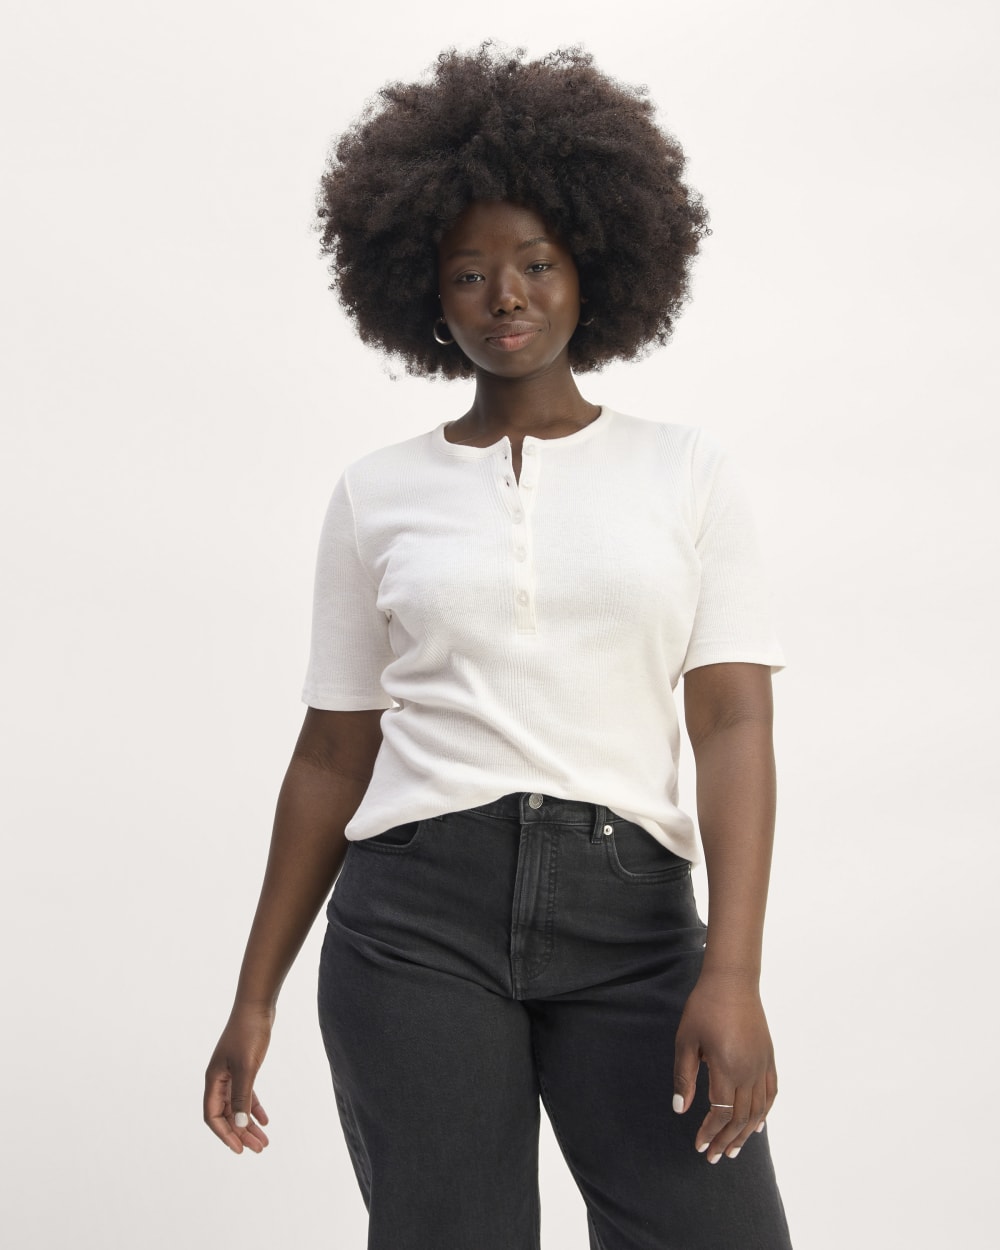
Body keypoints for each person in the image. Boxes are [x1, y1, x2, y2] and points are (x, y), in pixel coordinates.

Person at [203, 44, 793, 1250]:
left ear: (593, 267)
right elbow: (330, 753)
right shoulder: (376, 493)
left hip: (634, 919)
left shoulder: (686, 472)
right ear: (425, 294)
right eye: (469, 274)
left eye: (535, 262)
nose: (505, 296)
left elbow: (733, 721)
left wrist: (730, 971)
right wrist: (254, 992)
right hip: (416, 920)